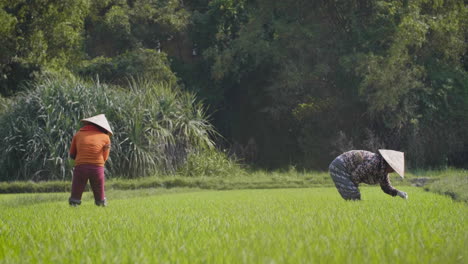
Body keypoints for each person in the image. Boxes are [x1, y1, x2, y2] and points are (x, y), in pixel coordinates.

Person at [68, 114, 113, 206]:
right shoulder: (105, 138)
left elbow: (72, 154)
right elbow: (105, 157)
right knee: (99, 191)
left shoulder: (78, 135)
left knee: (76, 190)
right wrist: (97, 164)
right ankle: (101, 204)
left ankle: (74, 203)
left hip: (80, 167)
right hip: (97, 167)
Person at [328, 149, 408, 200]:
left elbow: (386, 187)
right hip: (340, 166)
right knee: (352, 196)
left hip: (346, 169)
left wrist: (398, 193)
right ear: (389, 164)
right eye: (393, 168)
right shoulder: (373, 163)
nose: (393, 171)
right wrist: (354, 190)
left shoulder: (383, 171)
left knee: (354, 197)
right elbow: (355, 175)